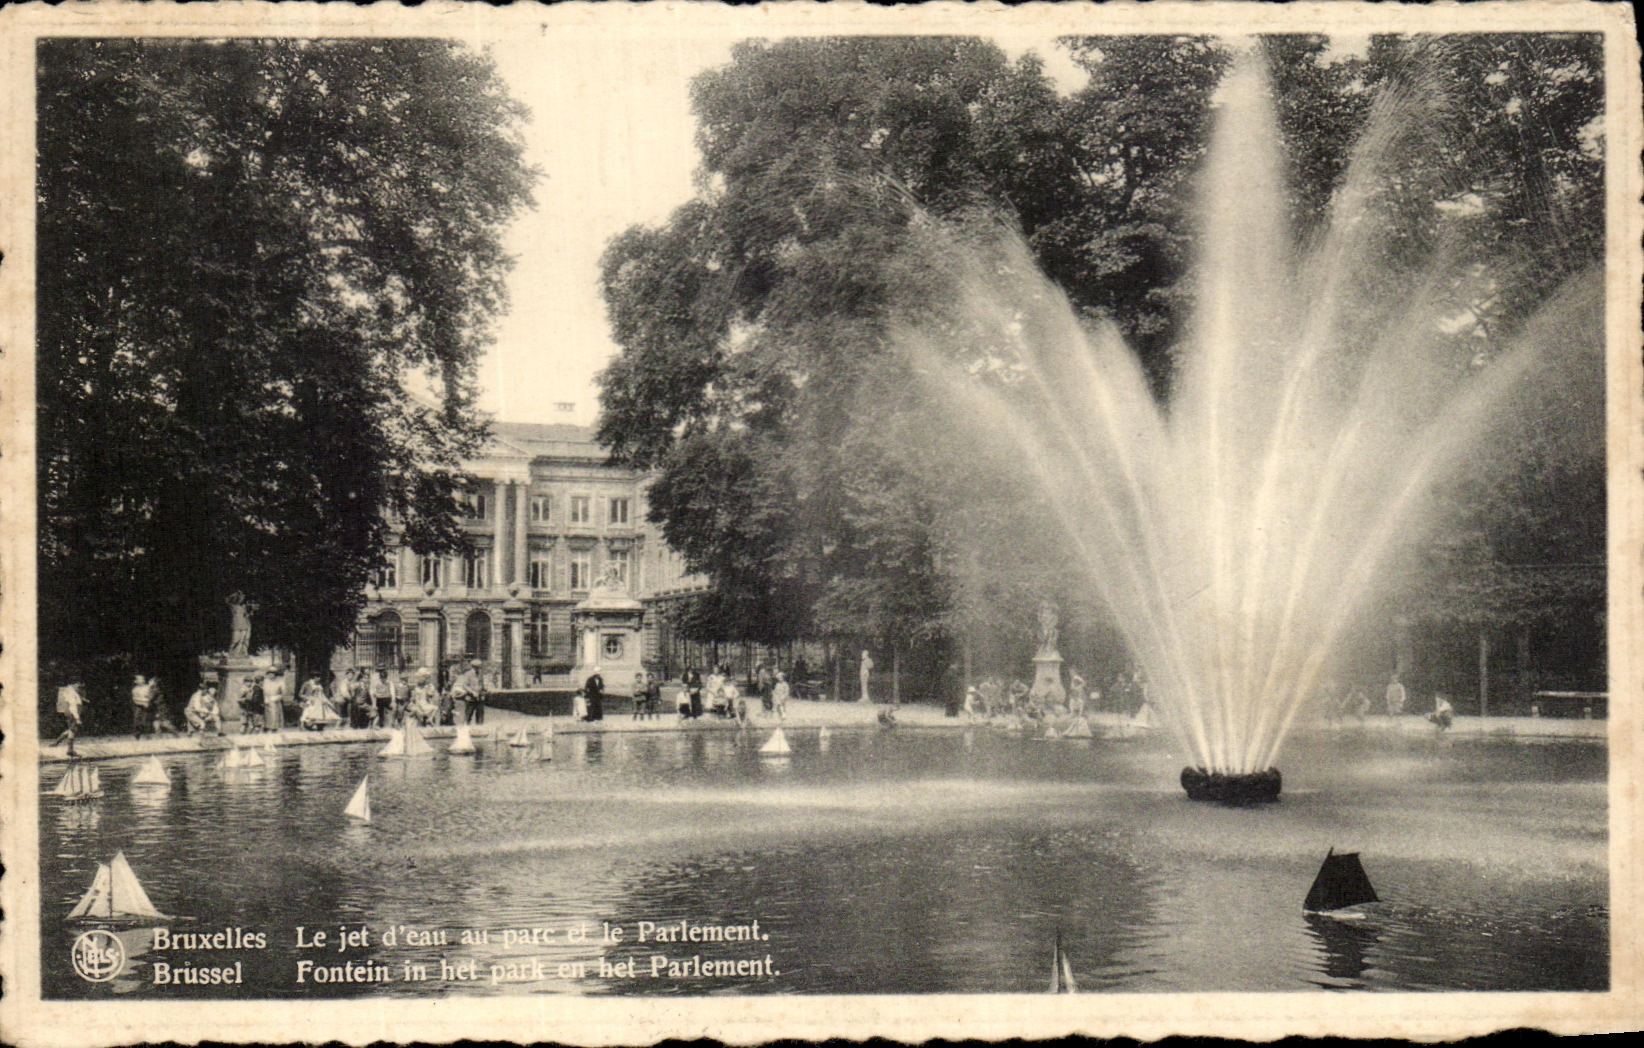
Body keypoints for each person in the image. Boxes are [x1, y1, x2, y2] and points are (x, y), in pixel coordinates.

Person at [53, 682, 86, 754]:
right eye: (78, 686)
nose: (80, 688)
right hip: (73, 714)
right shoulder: (72, 694)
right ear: (74, 685)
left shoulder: (73, 693)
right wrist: (77, 718)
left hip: (72, 713)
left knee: (70, 729)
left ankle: (56, 742)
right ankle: (70, 749)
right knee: (73, 730)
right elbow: (73, 707)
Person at [130, 673, 154, 738]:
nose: (142, 680)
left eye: (142, 679)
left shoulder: (147, 687)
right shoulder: (135, 689)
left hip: (147, 706)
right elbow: (135, 699)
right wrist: (143, 702)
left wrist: (147, 702)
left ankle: (147, 735)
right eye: (140, 679)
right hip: (139, 706)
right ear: (136, 681)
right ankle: (137, 735)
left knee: (146, 720)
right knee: (137, 720)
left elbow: (150, 696)